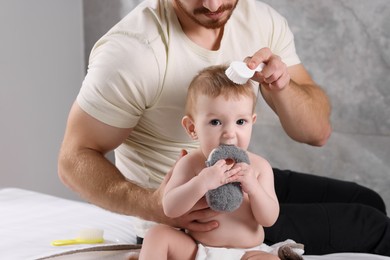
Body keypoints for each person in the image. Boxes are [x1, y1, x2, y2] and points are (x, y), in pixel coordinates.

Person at [58, 0, 390, 256]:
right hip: (199, 217)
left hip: (245, 179)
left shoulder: (260, 21)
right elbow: (73, 160)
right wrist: (156, 206)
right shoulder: (133, 52)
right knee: (372, 225)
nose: (215, 6)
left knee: (368, 199)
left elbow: (317, 132)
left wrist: (280, 87)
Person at [139, 65, 282, 260]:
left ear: (252, 121)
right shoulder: (191, 164)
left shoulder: (258, 167)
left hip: (247, 253)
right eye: (215, 122)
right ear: (192, 128)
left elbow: (269, 218)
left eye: (240, 122)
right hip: (197, 251)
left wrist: (254, 188)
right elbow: (170, 208)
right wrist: (201, 183)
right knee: (157, 235)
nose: (230, 133)